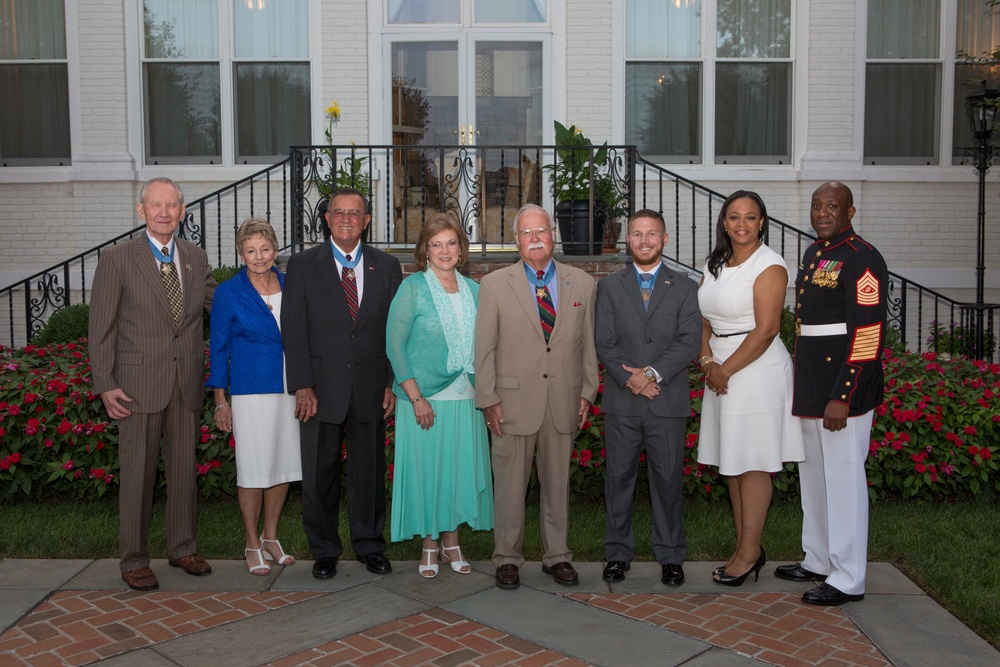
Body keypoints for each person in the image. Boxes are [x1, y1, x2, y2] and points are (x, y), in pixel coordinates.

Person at [89, 177, 217, 591]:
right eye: (156, 205)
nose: (164, 212)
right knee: (138, 475)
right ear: (141, 211)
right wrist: (105, 383)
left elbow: (222, 306)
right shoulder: (118, 259)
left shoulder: (196, 257)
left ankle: (183, 548)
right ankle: (134, 558)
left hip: (184, 383)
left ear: (182, 211)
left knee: (183, 472)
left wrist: (273, 294)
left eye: (172, 205)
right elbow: (100, 328)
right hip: (136, 385)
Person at [474, 203, 599, 590]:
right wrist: (488, 398)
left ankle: (556, 556)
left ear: (553, 236)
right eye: (526, 233)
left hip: (562, 399)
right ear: (516, 240)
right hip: (511, 403)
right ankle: (507, 557)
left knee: (556, 485)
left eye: (541, 231)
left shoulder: (582, 283)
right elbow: (485, 350)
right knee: (510, 486)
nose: (534, 239)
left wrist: (588, 392)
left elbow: (587, 345)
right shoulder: (494, 285)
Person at [281, 187, 403, 580]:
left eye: (355, 212)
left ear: (367, 221)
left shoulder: (386, 266)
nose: (347, 218)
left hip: (370, 387)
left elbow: (394, 331)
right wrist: (301, 384)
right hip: (319, 389)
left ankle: (369, 545)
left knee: (368, 474)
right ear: (328, 219)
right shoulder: (302, 265)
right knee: (320, 474)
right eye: (339, 212)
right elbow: (293, 329)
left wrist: (390, 382)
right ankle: (325, 550)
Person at [775, 181, 887, 606]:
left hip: (843, 387)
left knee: (843, 480)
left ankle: (848, 576)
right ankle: (819, 558)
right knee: (815, 475)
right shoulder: (816, 252)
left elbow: (867, 335)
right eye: (817, 205)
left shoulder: (863, 258)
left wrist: (845, 393)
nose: (822, 212)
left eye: (832, 206)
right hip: (812, 383)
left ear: (850, 212)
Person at [696, 191, 805, 586]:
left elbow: (767, 330)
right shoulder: (715, 263)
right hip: (720, 366)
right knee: (732, 462)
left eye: (751, 217)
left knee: (754, 462)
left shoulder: (770, 265)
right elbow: (704, 317)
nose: (742, 223)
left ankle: (748, 552)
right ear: (724, 222)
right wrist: (707, 359)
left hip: (756, 371)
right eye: (734, 216)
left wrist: (724, 370)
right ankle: (746, 548)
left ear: (762, 222)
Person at [595, 209, 701, 586]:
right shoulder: (608, 288)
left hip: (666, 402)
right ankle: (617, 554)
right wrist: (634, 381)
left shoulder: (686, 287)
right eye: (637, 234)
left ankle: (671, 555)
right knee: (618, 481)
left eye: (652, 234)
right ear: (628, 240)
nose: (644, 241)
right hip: (622, 405)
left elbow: (690, 341)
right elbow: (603, 343)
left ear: (665, 239)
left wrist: (652, 375)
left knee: (668, 481)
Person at [385, 213, 494, 578]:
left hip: (466, 399)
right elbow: (395, 346)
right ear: (425, 251)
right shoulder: (412, 288)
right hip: (423, 399)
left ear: (461, 249)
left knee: (457, 473)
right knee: (429, 474)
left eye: (451, 243)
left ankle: (451, 542)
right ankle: (429, 544)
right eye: (436, 244)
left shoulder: (477, 291)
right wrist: (415, 397)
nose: (445, 250)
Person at [207, 218, 302, 576]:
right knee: (253, 469)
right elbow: (219, 348)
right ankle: (250, 542)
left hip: (291, 387)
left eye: (265, 249)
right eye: (251, 251)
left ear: (275, 250)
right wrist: (220, 400)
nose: (259, 257)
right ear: (241, 254)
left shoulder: (292, 284)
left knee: (284, 463)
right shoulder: (229, 293)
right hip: (250, 390)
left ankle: (271, 537)